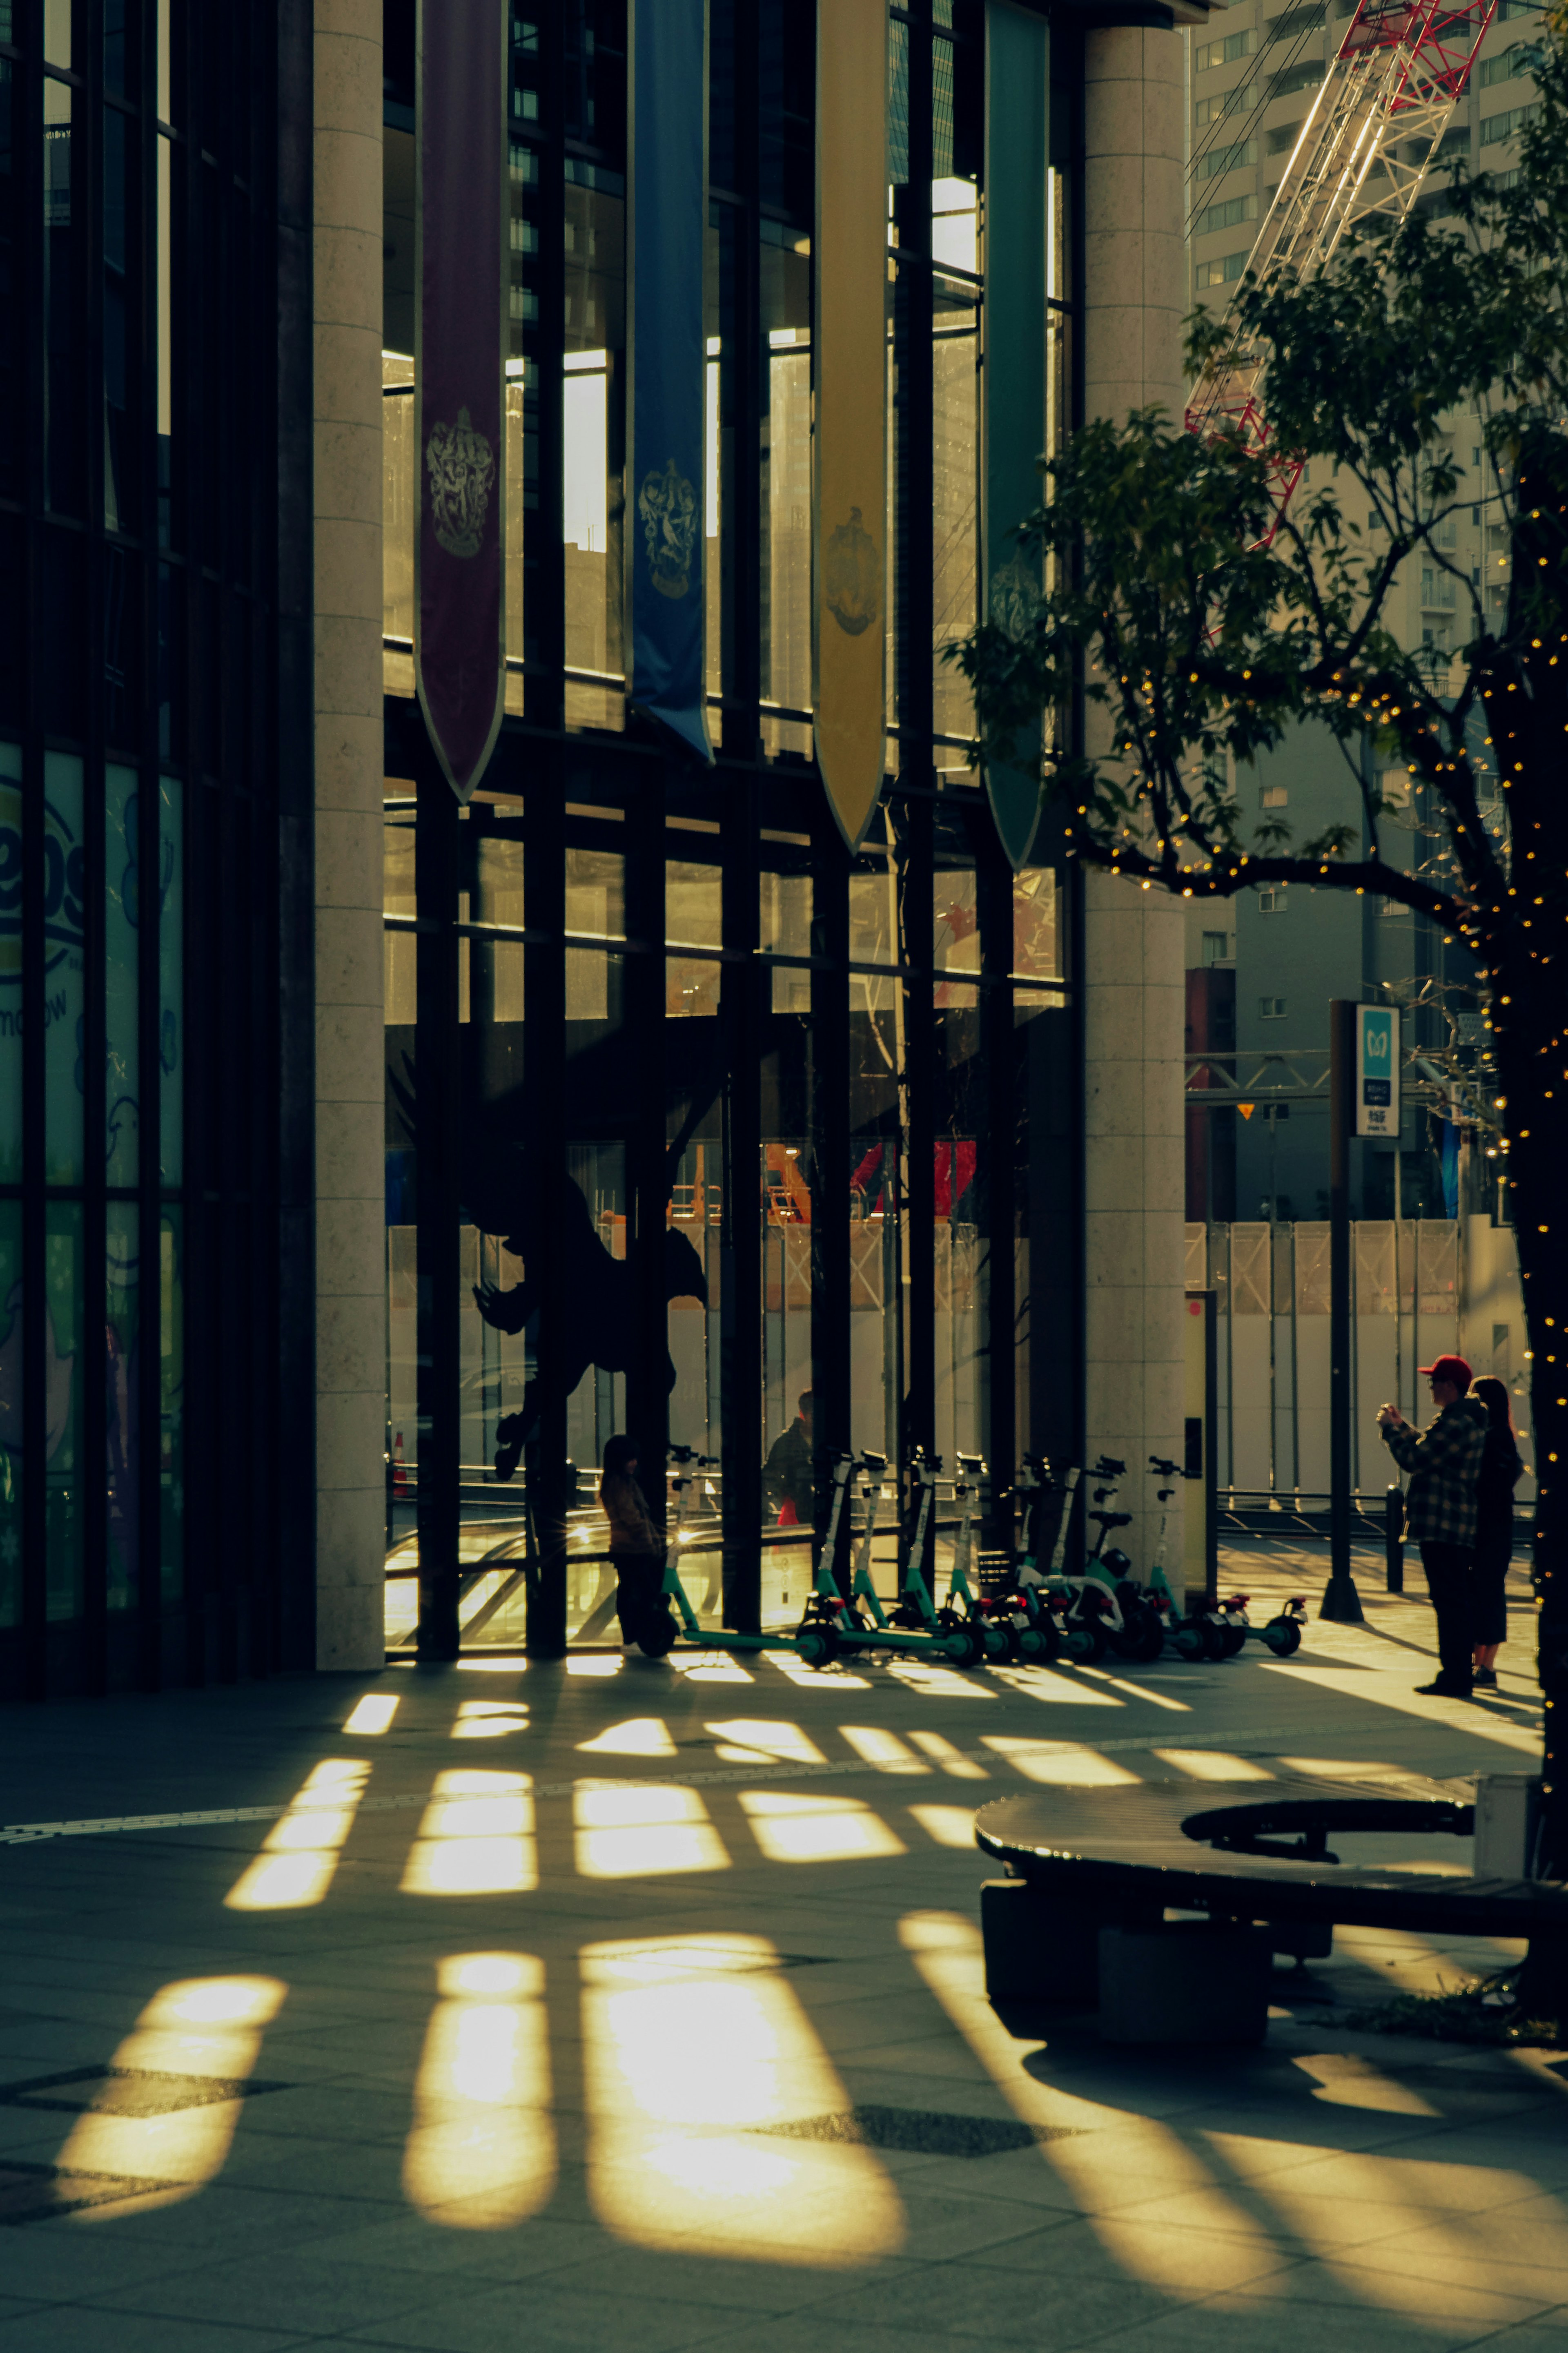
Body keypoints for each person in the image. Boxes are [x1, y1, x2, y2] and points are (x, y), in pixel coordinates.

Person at [1377, 1354, 1487, 1698]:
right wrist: (1402, 1427)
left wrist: (1390, 1432)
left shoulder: (1457, 1422)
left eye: (1433, 1381)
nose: (1430, 1387)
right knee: (1451, 1599)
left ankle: (1456, 1675)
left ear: (1449, 1386)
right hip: (1450, 1524)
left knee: (1450, 1601)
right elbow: (1429, 1447)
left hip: (1445, 1523)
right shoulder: (1459, 1419)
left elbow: (1417, 1459)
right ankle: (1456, 1672)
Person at [1470, 1374, 1523, 1690]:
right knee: (1489, 1593)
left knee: (1484, 1593)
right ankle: (1484, 1663)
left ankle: (1485, 1664)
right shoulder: (1505, 1436)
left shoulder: (1492, 1436)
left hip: (1487, 1526)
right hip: (1499, 1526)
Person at [599, 1433, 666, 1650]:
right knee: (639, 1592)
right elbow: (633, 1519)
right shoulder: (620, 1484)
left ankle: (634, 1637)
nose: (635, 1463)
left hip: (626, 1549)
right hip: (632, 1550)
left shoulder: (618, 1482)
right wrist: (650, 1544)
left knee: (632, 1591)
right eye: (630, 1459)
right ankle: (634, 1637)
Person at [763, 1389, 814, 1525]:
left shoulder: (786, 1441)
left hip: (794, 1508)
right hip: (796, 1508)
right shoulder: (786, 1442)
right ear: (803, 1414)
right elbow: (769, 1475)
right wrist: (785, 1494)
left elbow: (769, 1473)